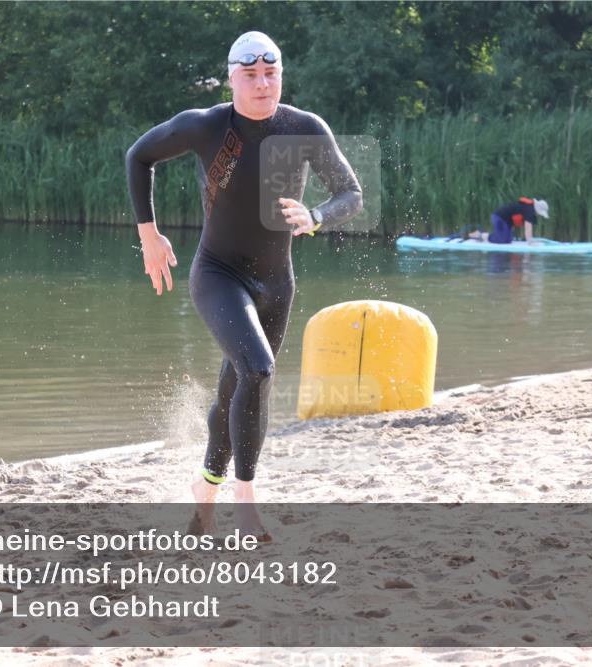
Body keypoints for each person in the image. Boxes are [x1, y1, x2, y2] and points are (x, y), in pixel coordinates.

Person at [126, 31, 363, 540]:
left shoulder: (304, 128)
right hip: (218, 273)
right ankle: (247, 501)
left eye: (271, 74)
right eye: (250, 75)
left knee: (238, 384)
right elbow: (138, 157)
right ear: (232, 77)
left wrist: (316, 215)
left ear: (281, 74)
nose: (262, 84)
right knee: (258, 369)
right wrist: (150, 235)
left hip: (277, 282)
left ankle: (205, 487)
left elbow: (351, 194)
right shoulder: (205, 125)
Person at [468, 197, 549, 244]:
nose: (539, 215)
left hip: (506, 220)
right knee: (501, 240)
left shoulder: (530, 209)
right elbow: (528, 229)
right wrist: (530, 242)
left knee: (508, 241)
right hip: (499, 217)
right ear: (538, 209)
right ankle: (478, 235)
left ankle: (483, 236)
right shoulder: (529, 211)